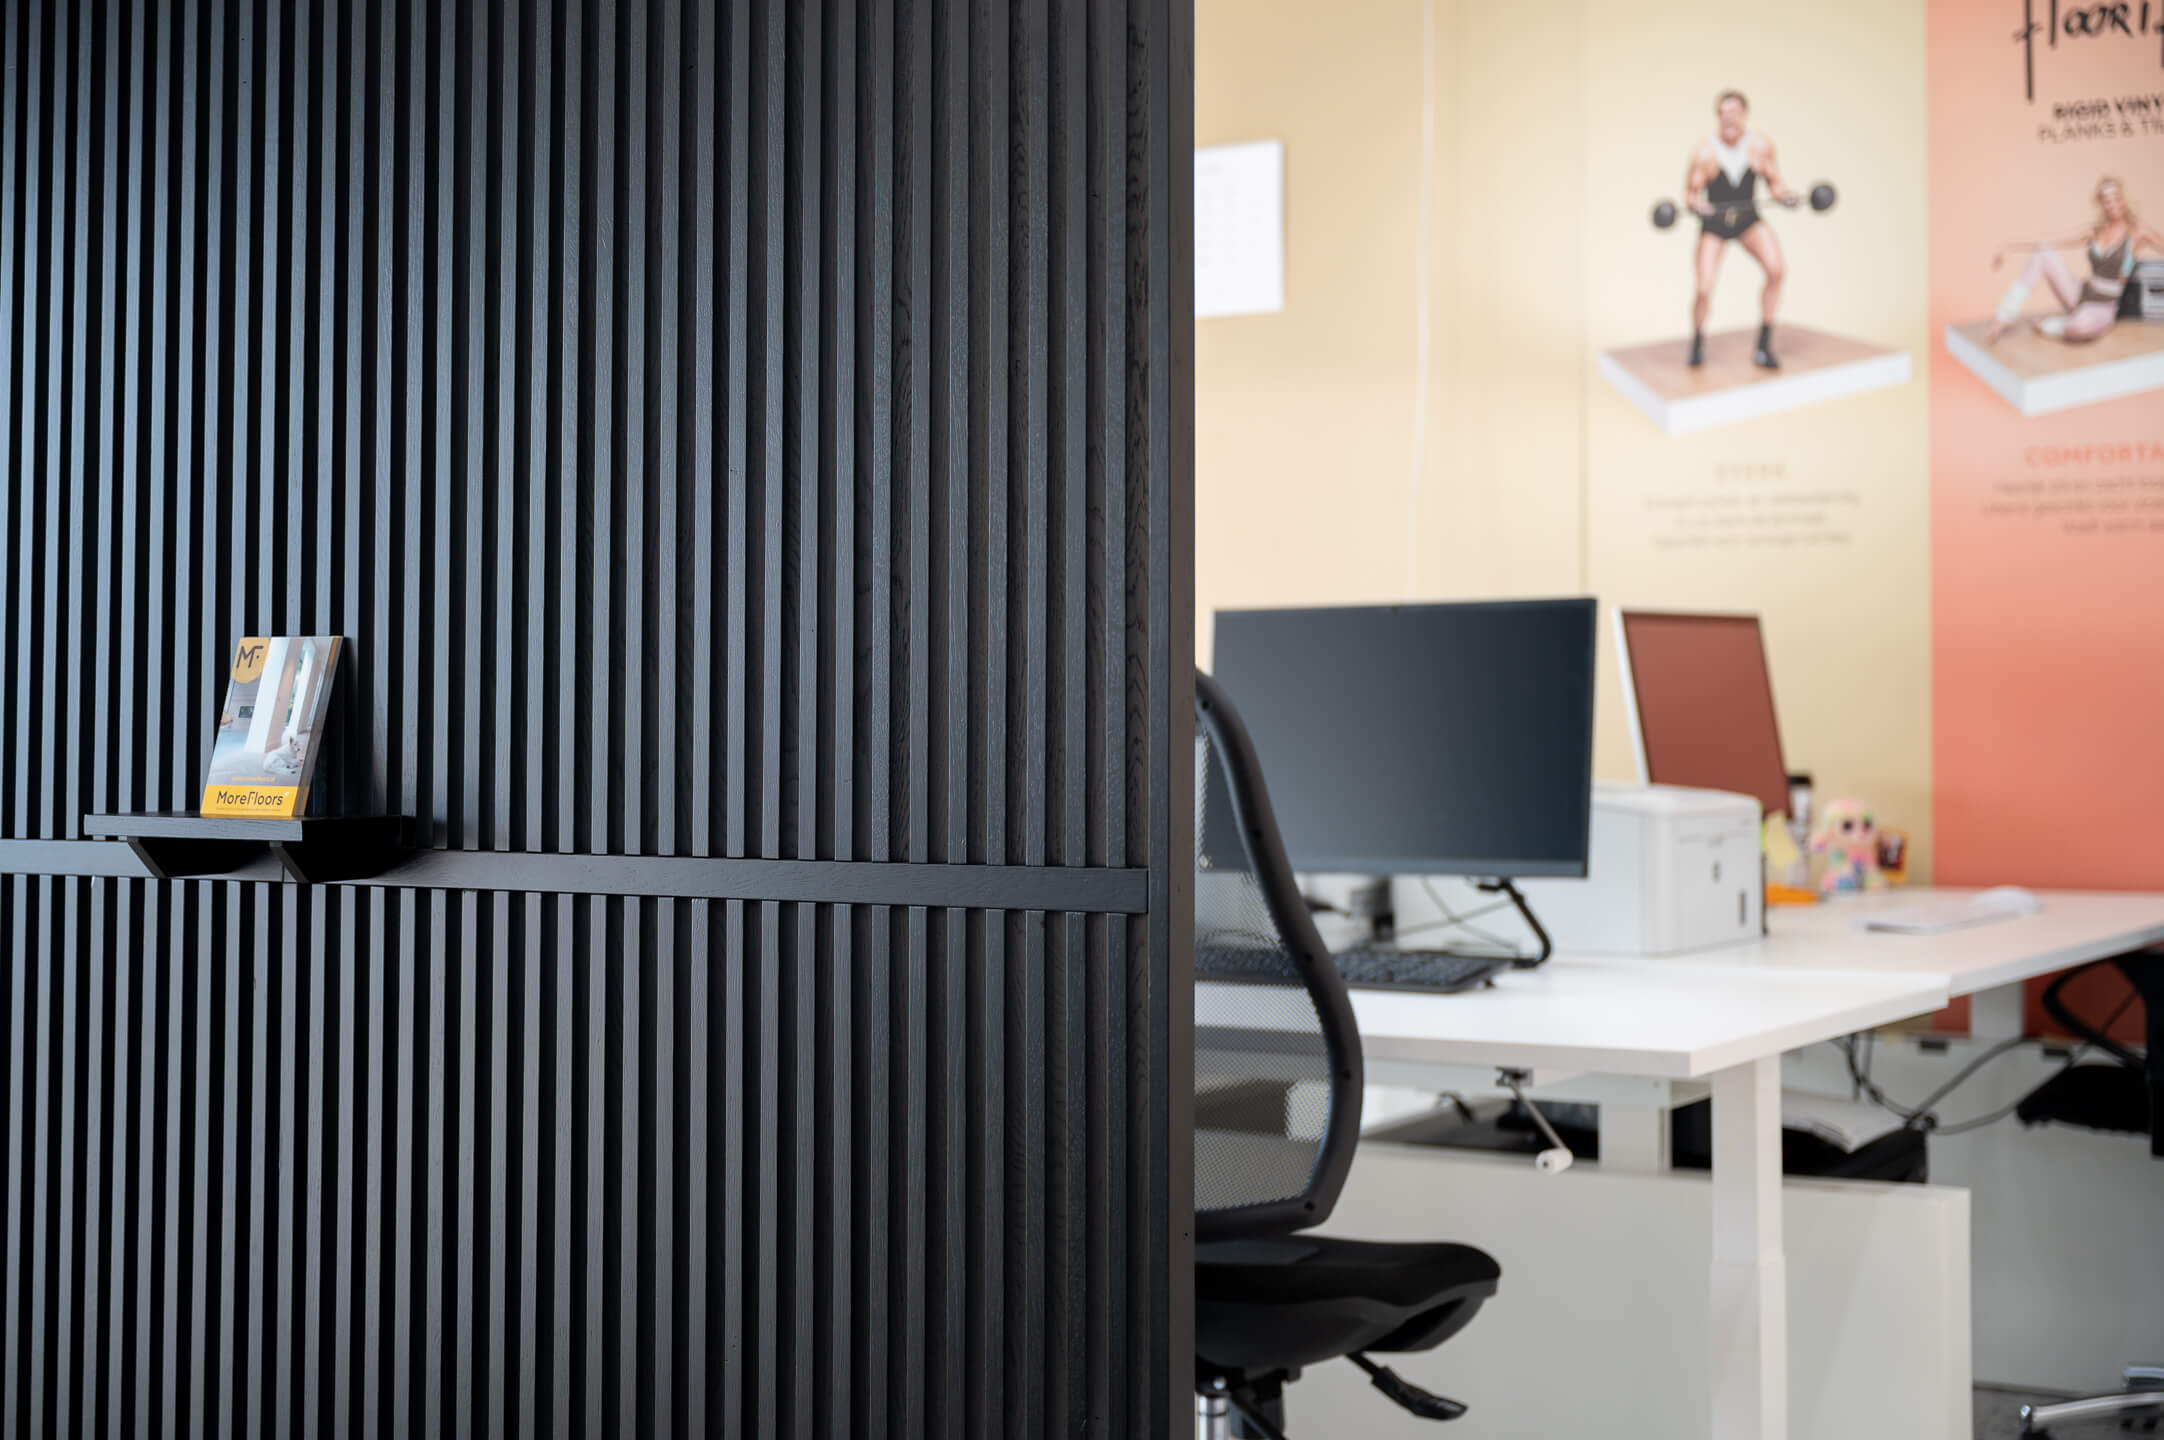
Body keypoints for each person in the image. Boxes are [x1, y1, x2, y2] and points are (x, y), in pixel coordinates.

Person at [1683, 90, 1801, 370]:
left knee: (1777, 270)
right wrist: (1697, 205)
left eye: (1734, 113)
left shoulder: (1759, 147)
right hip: (1715, 224)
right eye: (1723, 114)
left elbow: (1775, 184)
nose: (1729, 119)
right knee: (1703, 288)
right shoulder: (1705, 153)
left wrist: (1785, 196)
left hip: (1748, 220)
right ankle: (1697, 340)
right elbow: (1690, 194)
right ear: (1717, 117)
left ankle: (1763, 344)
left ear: (1744, 115)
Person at [1986, 178, 2164, 345]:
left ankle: (2051, 325)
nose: (2112, 205)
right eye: (2106, 200)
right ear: (2101, 204)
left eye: (2116, 198)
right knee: (2043, 254)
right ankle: (2003, 317)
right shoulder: (2094, 230)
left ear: (2124, 200)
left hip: (2103, 307)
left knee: (2078, 328)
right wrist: (2009, 245)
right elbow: (2050, 239)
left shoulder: (2137, 231)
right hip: (2079, 294)